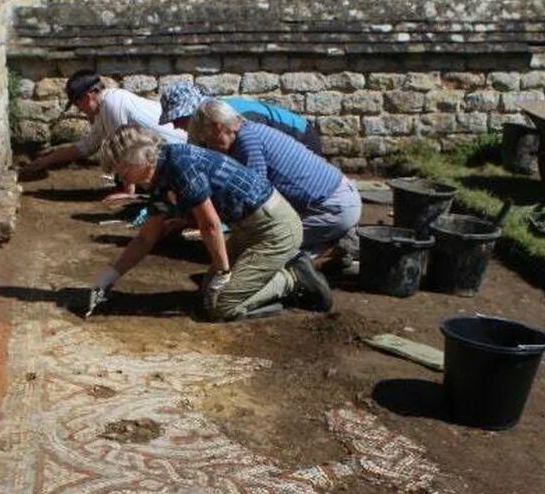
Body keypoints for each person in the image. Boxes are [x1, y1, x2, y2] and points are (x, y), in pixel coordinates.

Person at [87, 124, 333, 321]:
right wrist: (110, 276)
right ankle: (267, 277)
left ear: (138, 161)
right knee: (206, 296)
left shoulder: (179, 166)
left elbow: (210, 225)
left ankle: (292, 279)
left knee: (220, 306)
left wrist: (223, 272)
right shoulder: (160, 177)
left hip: (274, 228)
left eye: (122, 170)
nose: (121, 177)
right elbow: (145, 238)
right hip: (249, 228)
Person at [187, 98, 360, 264]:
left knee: (262, 250)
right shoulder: (251, 130)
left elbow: (255, 201)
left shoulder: (247, 142)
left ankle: (335, 248)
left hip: (333, 207)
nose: (211, 147)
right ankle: (330, 244)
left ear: (218, 128)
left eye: (208, 141)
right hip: (340, 199)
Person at [20, 70, 184, 177]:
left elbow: (126, 150)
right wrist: (49, 159)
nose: (79, 110)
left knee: (121, 171)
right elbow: (86, 147)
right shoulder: (104, 107)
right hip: (161, 154)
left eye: (78, 104)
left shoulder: (113, 104)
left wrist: (127, 192)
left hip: (177, 152)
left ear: (89, 96)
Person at [158, 82, 323, 155]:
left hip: (301, 137)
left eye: (177, 119)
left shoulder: (235, 117)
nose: (174, 126)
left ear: (191, 112)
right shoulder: (203, 127)